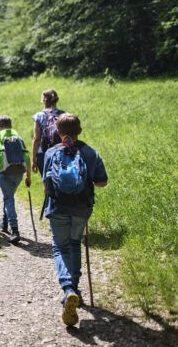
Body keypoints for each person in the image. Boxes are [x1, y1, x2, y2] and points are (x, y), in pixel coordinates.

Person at [42, 113, 108, 327]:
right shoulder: (89, 151)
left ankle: (68, 289)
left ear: (58, 133)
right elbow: (101, 182)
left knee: (60, 248)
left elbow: (46, 185)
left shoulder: (51, 152)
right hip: (81, 208)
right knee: (74, 244)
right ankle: (75, 288)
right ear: (79, 131)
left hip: (58, 207)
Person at [0, 115, 31, 244]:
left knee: (8, 199)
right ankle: (4, 223)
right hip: (18, 172)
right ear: (10, 125)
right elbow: (27, 157)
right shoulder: (18, 137)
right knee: (8, 197)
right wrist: (28, 176)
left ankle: (15, 230)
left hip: (4, 172)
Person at [32, 89, 64, 175]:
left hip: (43, 152)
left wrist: (33, 160)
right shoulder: (64, 115)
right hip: (61, 150)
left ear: (43, 100)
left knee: (47, 182)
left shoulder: (39, 116)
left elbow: (37, 138)